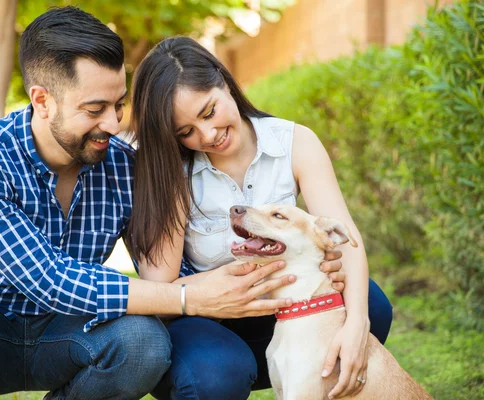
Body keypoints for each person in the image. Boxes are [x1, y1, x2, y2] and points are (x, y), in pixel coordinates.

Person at [0, 8, 347, 400]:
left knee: (143, 342)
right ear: (42, 101)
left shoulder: (124, 166)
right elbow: (47, 279)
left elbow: (163, 268)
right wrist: (189, 298)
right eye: (94, 109)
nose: (113, 122)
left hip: (66, 335)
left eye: (119, 104)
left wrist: (271, 275)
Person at [127, 36, 393, 400]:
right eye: (185, 132)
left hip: (288, 311)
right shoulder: (173, 171)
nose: (208, 135)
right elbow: (159, 288)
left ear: (223, 80)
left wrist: (356, 325)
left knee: (372, 306)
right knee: (215, 374)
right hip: (210, 323)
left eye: (209, 112)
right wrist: (214, 289)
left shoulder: (294, 142)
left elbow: (348, 240)